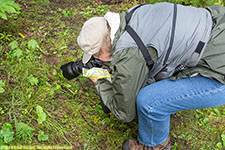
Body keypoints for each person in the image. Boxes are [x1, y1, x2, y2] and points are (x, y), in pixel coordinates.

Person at [76, 2, 225, 149]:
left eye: (96, 55)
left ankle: (156, 144)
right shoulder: (134, 14)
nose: (96, 59)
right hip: (218, 25)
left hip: (219, 71)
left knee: (148, 100)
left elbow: (124, 113)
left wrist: (99, 82)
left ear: (102, 48)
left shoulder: (129, 55)